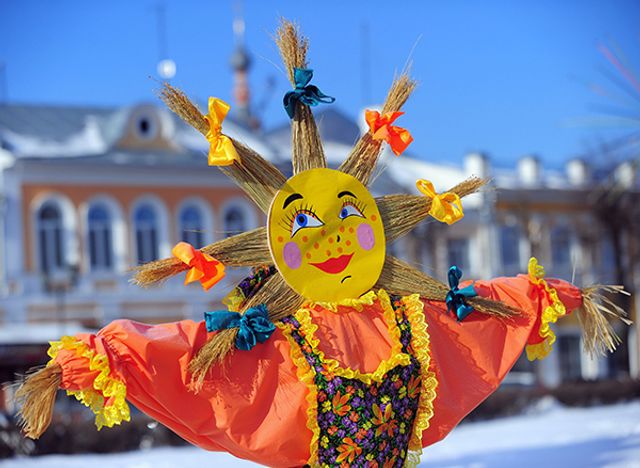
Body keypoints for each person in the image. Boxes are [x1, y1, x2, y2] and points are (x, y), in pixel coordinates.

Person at [16, 19, 629, 468]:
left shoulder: (408, 320)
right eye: (308, 228)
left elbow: (481, 308)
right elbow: (187, 351)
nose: (331, 239)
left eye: (344, 219)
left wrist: (554, 295)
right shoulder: (285, 339)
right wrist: (96, 358)